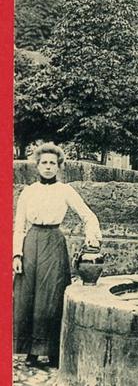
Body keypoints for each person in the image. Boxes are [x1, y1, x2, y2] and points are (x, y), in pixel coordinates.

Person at [13, 142, 102, 368]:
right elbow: (19, 226)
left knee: (52, 296)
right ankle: (31, 352)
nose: (49, 167)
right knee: (28, 295)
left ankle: (53, 351)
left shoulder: (65, 191)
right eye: (44, 163)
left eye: (53, 163)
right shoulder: (28, 191)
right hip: (31, 242)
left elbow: (88, 215)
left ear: (59, 166)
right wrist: (16, 255)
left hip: (54, 242)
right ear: (37, 165)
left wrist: (92, 236)